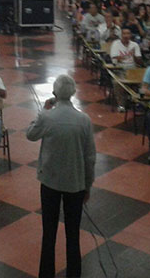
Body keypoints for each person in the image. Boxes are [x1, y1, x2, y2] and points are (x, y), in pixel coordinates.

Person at [26, 75, 96, 278]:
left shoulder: (47, 117)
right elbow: (90, 157)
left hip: (50, 182)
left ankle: (46, 274)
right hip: (76, 184)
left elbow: (30, 134)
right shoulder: (84, 120)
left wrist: (43, 111)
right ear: (73, 93)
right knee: (73, 234)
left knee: (49, 233)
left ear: (55, 94)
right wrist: (88, 185)